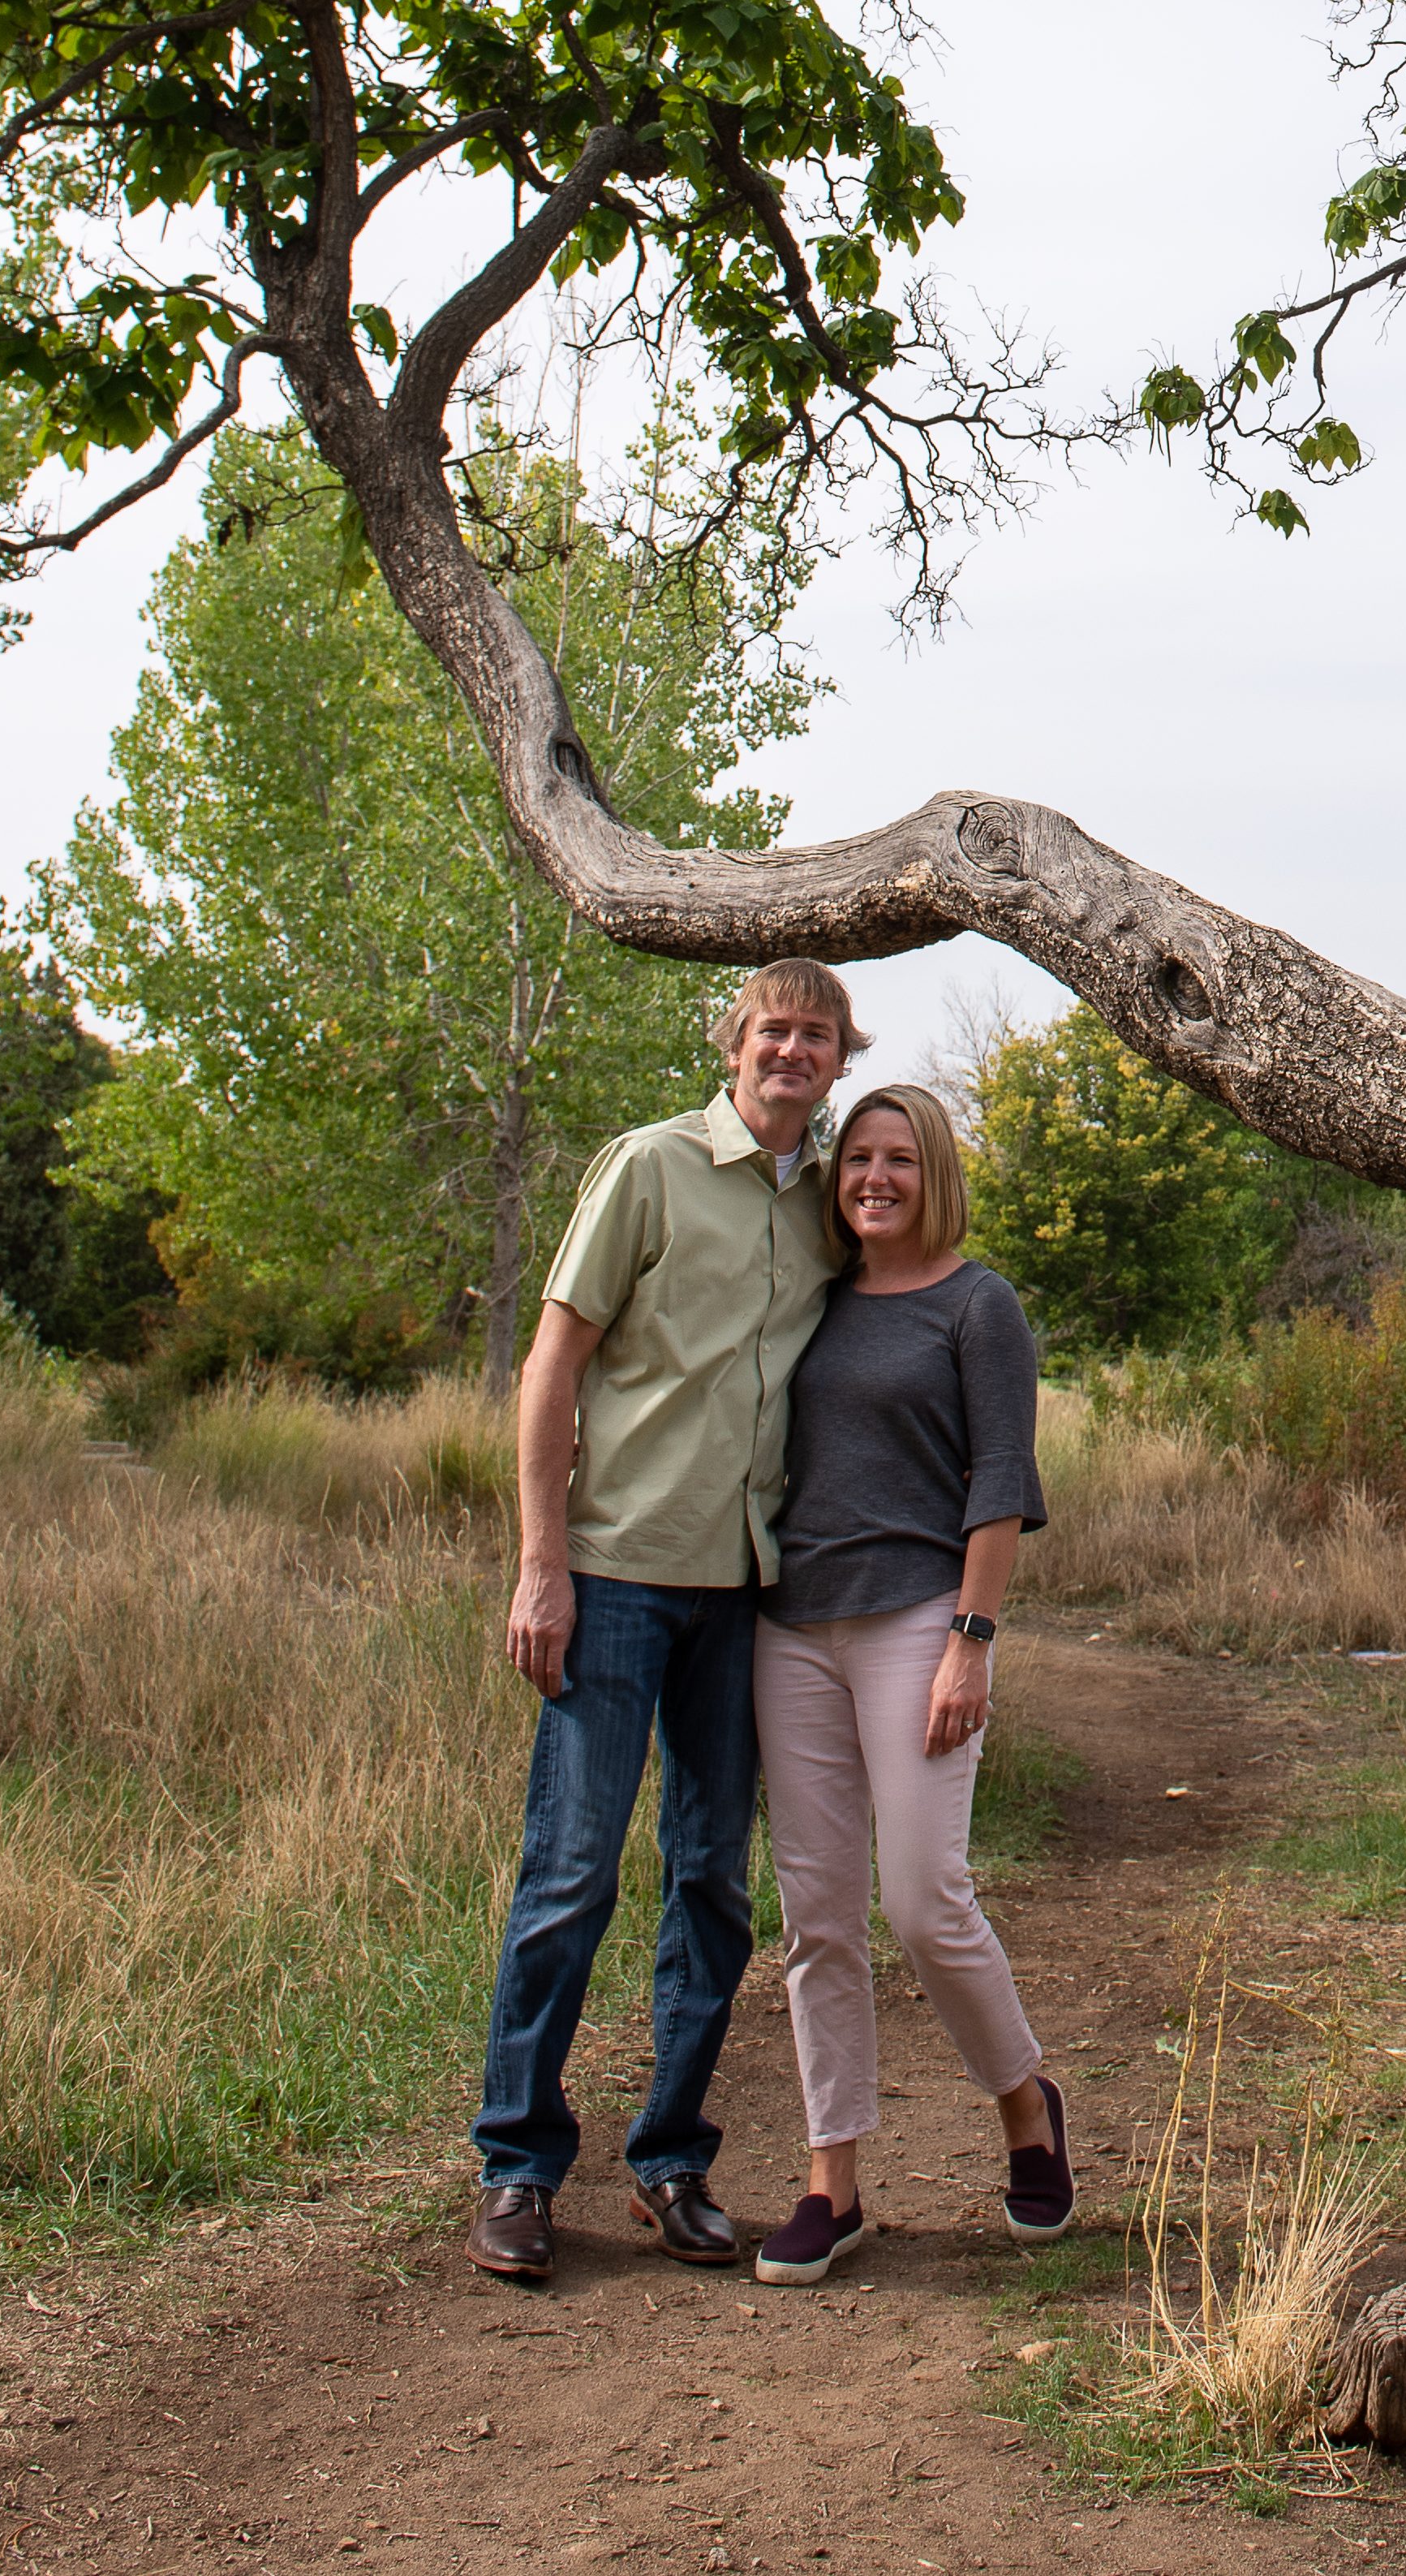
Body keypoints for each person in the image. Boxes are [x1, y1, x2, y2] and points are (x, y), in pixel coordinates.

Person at [465, 960, 861, 2285]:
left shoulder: (832, 1202)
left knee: (713, 1884)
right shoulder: (647, 1167)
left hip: (746, 1595)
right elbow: (552, 1361)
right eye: (772, 1030)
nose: (790, 1051)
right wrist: (540, 1563)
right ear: (733, 1043)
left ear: (839, 1056)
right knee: (571, 1872)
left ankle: (671, 2158)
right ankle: (518, 2169)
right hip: (618, 1575)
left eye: (815, 1035)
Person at [748, 1082, 1073, 2283]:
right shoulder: (813, 1302)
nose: (875, 1176)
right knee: (816, 1913)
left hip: (917, 1623)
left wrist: (971, 1636)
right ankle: (833, 2179)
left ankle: (1026, 2110)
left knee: (923, 1898)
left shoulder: (978, 1304)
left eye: (900, 1159)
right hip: (790, 1631)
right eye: (857, 1159)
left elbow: (1001, 1476)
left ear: (935, 1172)